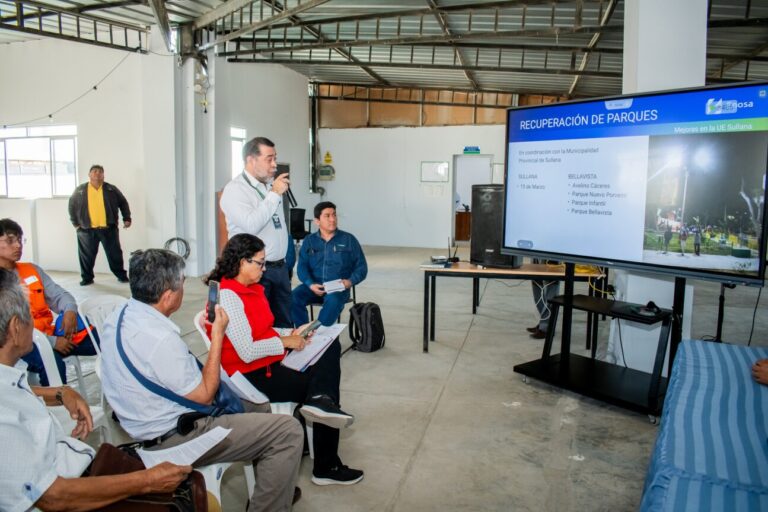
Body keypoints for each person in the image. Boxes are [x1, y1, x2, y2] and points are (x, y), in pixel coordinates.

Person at [100, 248, 303, 511]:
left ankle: (274, 487)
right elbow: (205, 394)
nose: (185, 287)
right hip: (175, 434)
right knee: (287, 431)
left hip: (141, 418)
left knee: (261, 408)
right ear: (168, 296)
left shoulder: (120, 314)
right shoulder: (161, 340)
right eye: (182, 283)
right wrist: (218, 334)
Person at [0, 268, 192, 511]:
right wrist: (147, 481)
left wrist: (60, 392)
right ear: (16, 328)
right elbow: (53, 497)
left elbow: (12, 392)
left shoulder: (7, 376)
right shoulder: (4, 422)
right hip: (69, 488)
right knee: (184, 493)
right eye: (29, 314)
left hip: (76, 465)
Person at [205, 234, 364, 486]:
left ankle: (318, 405)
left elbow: (264, 329)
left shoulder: (251, 288)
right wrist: (285, 342)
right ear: (241, 262)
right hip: (252, 375)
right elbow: (247, 351)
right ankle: (326, 463)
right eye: (259, 263)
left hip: (267, 360)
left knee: (328, 346)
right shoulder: (229, 297)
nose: (264, 268)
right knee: (320, 382)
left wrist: (290, 333)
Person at [0, 218, 100, 386]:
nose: (18, 245)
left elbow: (60, 295)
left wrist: (69, 311)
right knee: (53, 364)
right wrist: (52, 343)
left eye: (20, 239)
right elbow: (8, 330)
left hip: (50, 333)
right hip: (19, 342)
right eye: (10, 240)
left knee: (101, 340)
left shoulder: (31, 270)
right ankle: (57, 409)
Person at [220, 137, 292, 327]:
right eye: (269, 159)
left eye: (275, 158)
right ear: (251, 160)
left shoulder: (268, 186)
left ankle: (283, 357)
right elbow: (251, 225)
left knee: (284, 325)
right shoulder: (235, 190)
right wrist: (274, 195)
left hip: (280, 268)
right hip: (255, 270)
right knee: (260, 326)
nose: (274, 165)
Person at [291, 202, 368, 327]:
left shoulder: (348, 239)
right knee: (293, 297)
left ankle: (320, 334)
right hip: (314, 287)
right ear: (317, 221)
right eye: (327, 216)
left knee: (333, 301)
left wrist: (349, 282)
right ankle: (303, 333)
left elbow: (362, 267)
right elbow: (302, 267)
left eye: (334, 215)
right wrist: (310, 284)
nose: (332, 219)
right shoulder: (309, 240)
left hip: (338, 289)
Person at [68, 164, 131, 286]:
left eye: (100, 172)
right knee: (86, 256)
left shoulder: (111, 189)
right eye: (94, 171)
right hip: (86, 230)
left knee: (115, 254)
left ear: (103, 175)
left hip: (109, 229)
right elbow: (71, 206)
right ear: (89, 175)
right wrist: (75, 224)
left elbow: (123, 203)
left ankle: (121, 275)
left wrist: (127, 218)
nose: (97, 174)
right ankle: (87, 278)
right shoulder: (80, 190)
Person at [527, 259, 560, 340]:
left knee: (551, 292)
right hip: (535, 251)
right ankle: (543, 322)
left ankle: (546, 328)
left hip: (551, 253)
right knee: (536, 284)